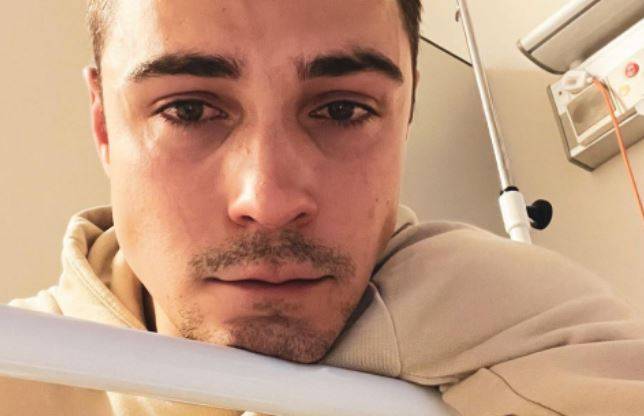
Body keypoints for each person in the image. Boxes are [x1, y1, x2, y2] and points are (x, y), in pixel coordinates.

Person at [2, 1, 644, 415]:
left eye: (342, 109)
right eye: (188, 110)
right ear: (103, 124)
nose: (269, 201)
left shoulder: (544, 328)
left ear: (406, 114)